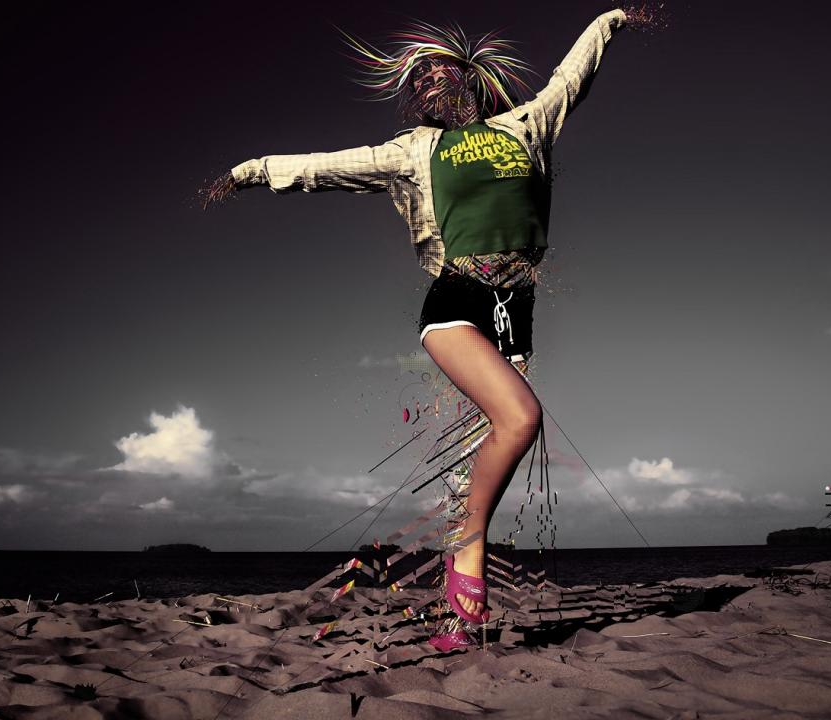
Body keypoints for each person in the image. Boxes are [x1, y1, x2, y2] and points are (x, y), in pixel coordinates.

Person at [200, 4, 659, 650]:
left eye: (440, 69)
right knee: (522, 419)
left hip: (514, 309)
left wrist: (612, 18)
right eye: (418, 79)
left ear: (468, 77)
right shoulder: (414, 151)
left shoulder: (528, 124)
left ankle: (461, 620)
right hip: (455, 301)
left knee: (481, 453)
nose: (429, 79)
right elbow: (326, 166)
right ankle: (468, 549)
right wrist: (248, 173)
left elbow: (571, 77)